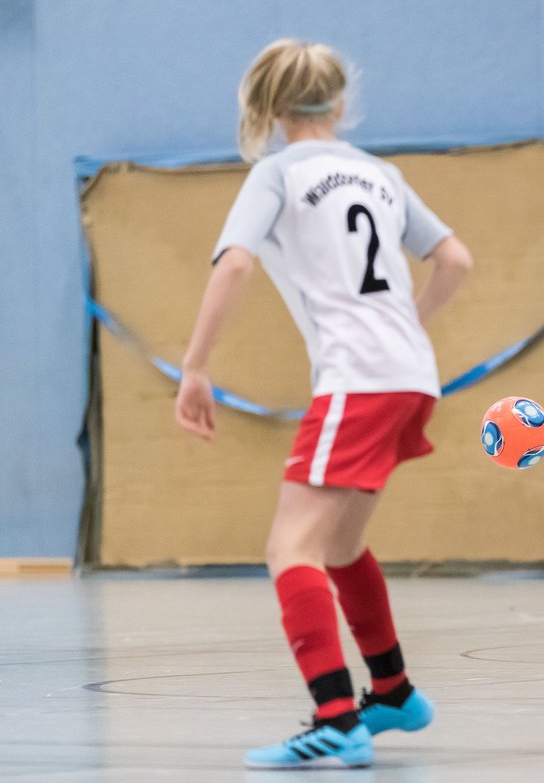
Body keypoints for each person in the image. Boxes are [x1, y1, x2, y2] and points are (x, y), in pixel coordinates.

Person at [174, 39, 473, 769]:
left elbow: (236, 262)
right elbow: (456, 260)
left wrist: (194, 365)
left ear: (272, 109)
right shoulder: (382, 174)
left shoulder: (276, 172)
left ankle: (337, 717)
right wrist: (408, 327)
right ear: (340, 104)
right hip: (409, 376)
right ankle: (395, 690)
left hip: (359, 379)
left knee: (289, 549)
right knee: (338, 546)